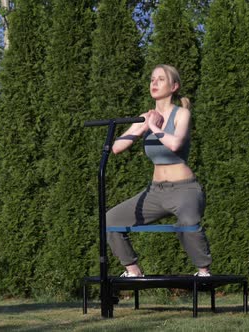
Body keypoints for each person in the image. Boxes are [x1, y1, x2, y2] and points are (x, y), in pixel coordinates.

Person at [107, 64, 212, 277]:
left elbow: (174, 144)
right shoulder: (146, 117)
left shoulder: (181, 114)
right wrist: (143, 127)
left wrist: (154, 128)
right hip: (155, 192)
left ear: (174, 86)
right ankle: (133, 270)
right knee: (111, 220)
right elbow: (116, 147)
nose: (154, 83)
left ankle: (203, 272)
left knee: (188, 225)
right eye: (152, 79)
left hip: (185, 190)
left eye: (161, 79)